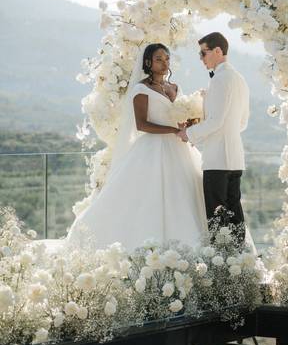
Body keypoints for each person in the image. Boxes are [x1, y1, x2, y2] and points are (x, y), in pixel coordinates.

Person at [64, 43, 208, 250]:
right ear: (148, 62)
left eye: (167, 58)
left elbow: (179, 117)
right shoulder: (141, 89)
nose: (164, 62)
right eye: (159, 59)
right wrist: (171, 130)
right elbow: (142, 124)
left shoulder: (174, 87)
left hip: (179, 147)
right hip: (153, 147)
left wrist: (188, 123)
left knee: (185, 195)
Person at [177, 32, 250, 245]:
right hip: (235, 158)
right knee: (235, 213)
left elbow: (216, 121)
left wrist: (187, 134)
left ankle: (222, 266)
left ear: (218, 51)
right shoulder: (239, 79)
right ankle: (237, 261)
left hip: (217, 159)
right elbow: (242, 122)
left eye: (203, 53)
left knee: (217, 217)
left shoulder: (220, 79)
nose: (201, 58)